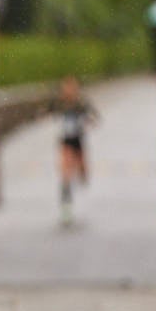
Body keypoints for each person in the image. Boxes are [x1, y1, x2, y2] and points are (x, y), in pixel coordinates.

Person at [49, 75, 98, 225]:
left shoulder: (81, 104)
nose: (68, 90)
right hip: (66, 142)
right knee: (65, 174)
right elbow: (48, 112)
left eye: (71, 87)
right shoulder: (60, 103)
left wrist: (87, 121)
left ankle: (81, 174)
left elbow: (94, 117)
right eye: (66, 87)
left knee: (82, 173)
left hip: (79, 141)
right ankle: (66, 207)